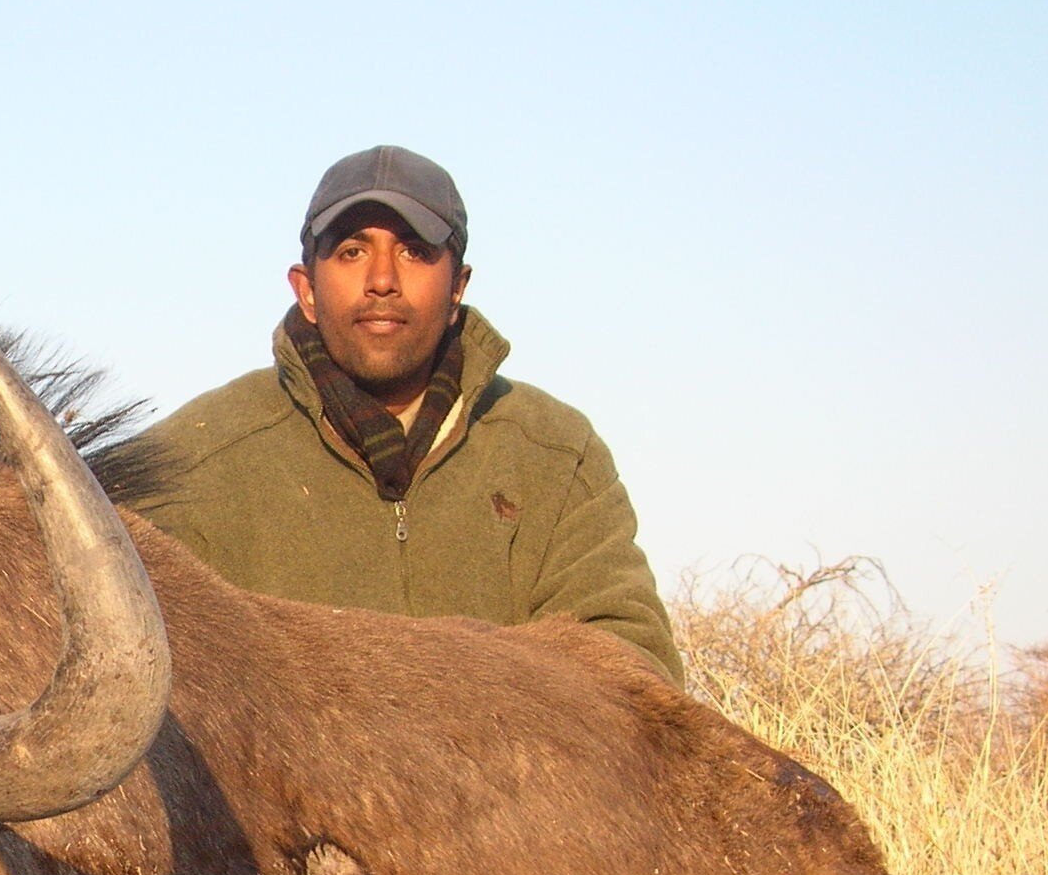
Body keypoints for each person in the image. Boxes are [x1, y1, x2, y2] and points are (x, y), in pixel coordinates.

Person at [133, 145, 683, 684]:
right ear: (306, 290)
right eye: (351, 251)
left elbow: (634, 670)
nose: (381, 280)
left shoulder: (557, 452)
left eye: (414, 251)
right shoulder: (187, 464)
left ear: (457, 289)